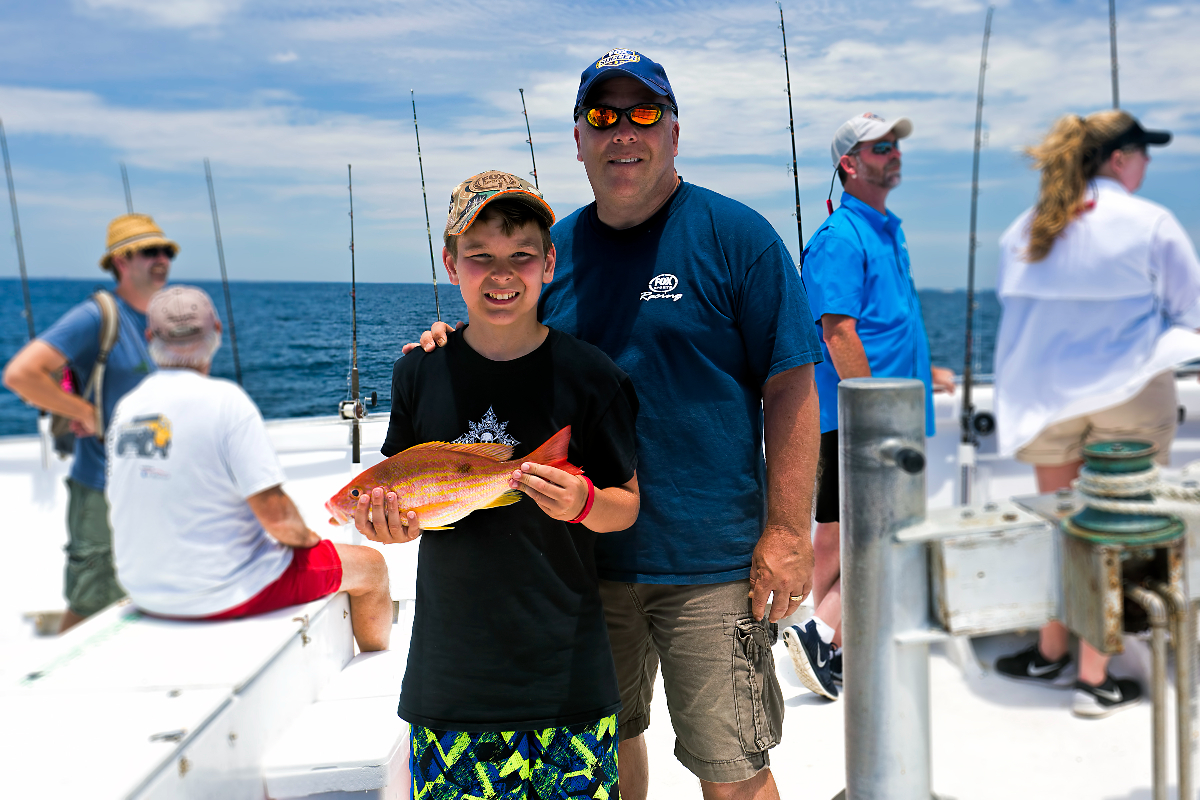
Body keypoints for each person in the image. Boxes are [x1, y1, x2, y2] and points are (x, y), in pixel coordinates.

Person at [400, 50, 822, 800]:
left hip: (711, 566)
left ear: (674, 131)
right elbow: (501, 342)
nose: (623, 131)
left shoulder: (739, 236)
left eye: (643, 113)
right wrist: (443, 344)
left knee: (733, 765)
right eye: (602, 115)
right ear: (578, 139)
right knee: (608, 752)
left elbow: (792, 386)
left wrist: (788, 533)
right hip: (580, 564)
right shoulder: (553, 254)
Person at [356, 170, 640, 799]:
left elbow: (625, 508)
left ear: (549, 263)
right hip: (451, 682)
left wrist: (585, 501)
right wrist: (389, 526)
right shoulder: (417, 373)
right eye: (479, 257)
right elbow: (407, 502)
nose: (502, 274)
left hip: (567, 677)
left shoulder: (592, 376)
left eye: (521, 257)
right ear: (451, 265)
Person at [992, 110, 1200, 718]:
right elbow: (1192, 314)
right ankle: (1094, 676)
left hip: (1044, 399)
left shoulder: (1027, 226)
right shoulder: (1150, 222)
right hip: (1129, 396)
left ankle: (1049, 649)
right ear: (1117, 159)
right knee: (1111, 532)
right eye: (1143, 152)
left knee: (1061, 526)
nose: (1148, 164)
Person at [106, 285, 390, 652]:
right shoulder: (226, 402)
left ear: (150, 337)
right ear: (217, 332)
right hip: (222, 592)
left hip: (143, 589)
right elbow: (277, 518)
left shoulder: (127, 407)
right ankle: (374, 660)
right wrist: (309, 541)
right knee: (371, 566)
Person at [789, 113, 956, 701]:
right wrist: (875, 411)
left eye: (895, 145)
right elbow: (838, 334)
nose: (894, 154)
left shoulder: (887, 229)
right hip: (862, 420)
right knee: (877, 537)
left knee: (839, 534)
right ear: (849, 165)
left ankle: (831, 641)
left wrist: (923, 368)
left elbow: (890, 321)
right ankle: (822, 631)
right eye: (880, 147)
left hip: (880, 410)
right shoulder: (840, 238)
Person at [3, 213, 177, 633]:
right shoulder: (97, 315)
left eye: (166, 251)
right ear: (120, 260)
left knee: (145, 595)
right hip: (102, 485)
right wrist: (83, 413)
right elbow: (20, 374)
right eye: (149, 251)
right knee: (91, 602)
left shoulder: (159, 319)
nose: (162, 259)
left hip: (152, 485)